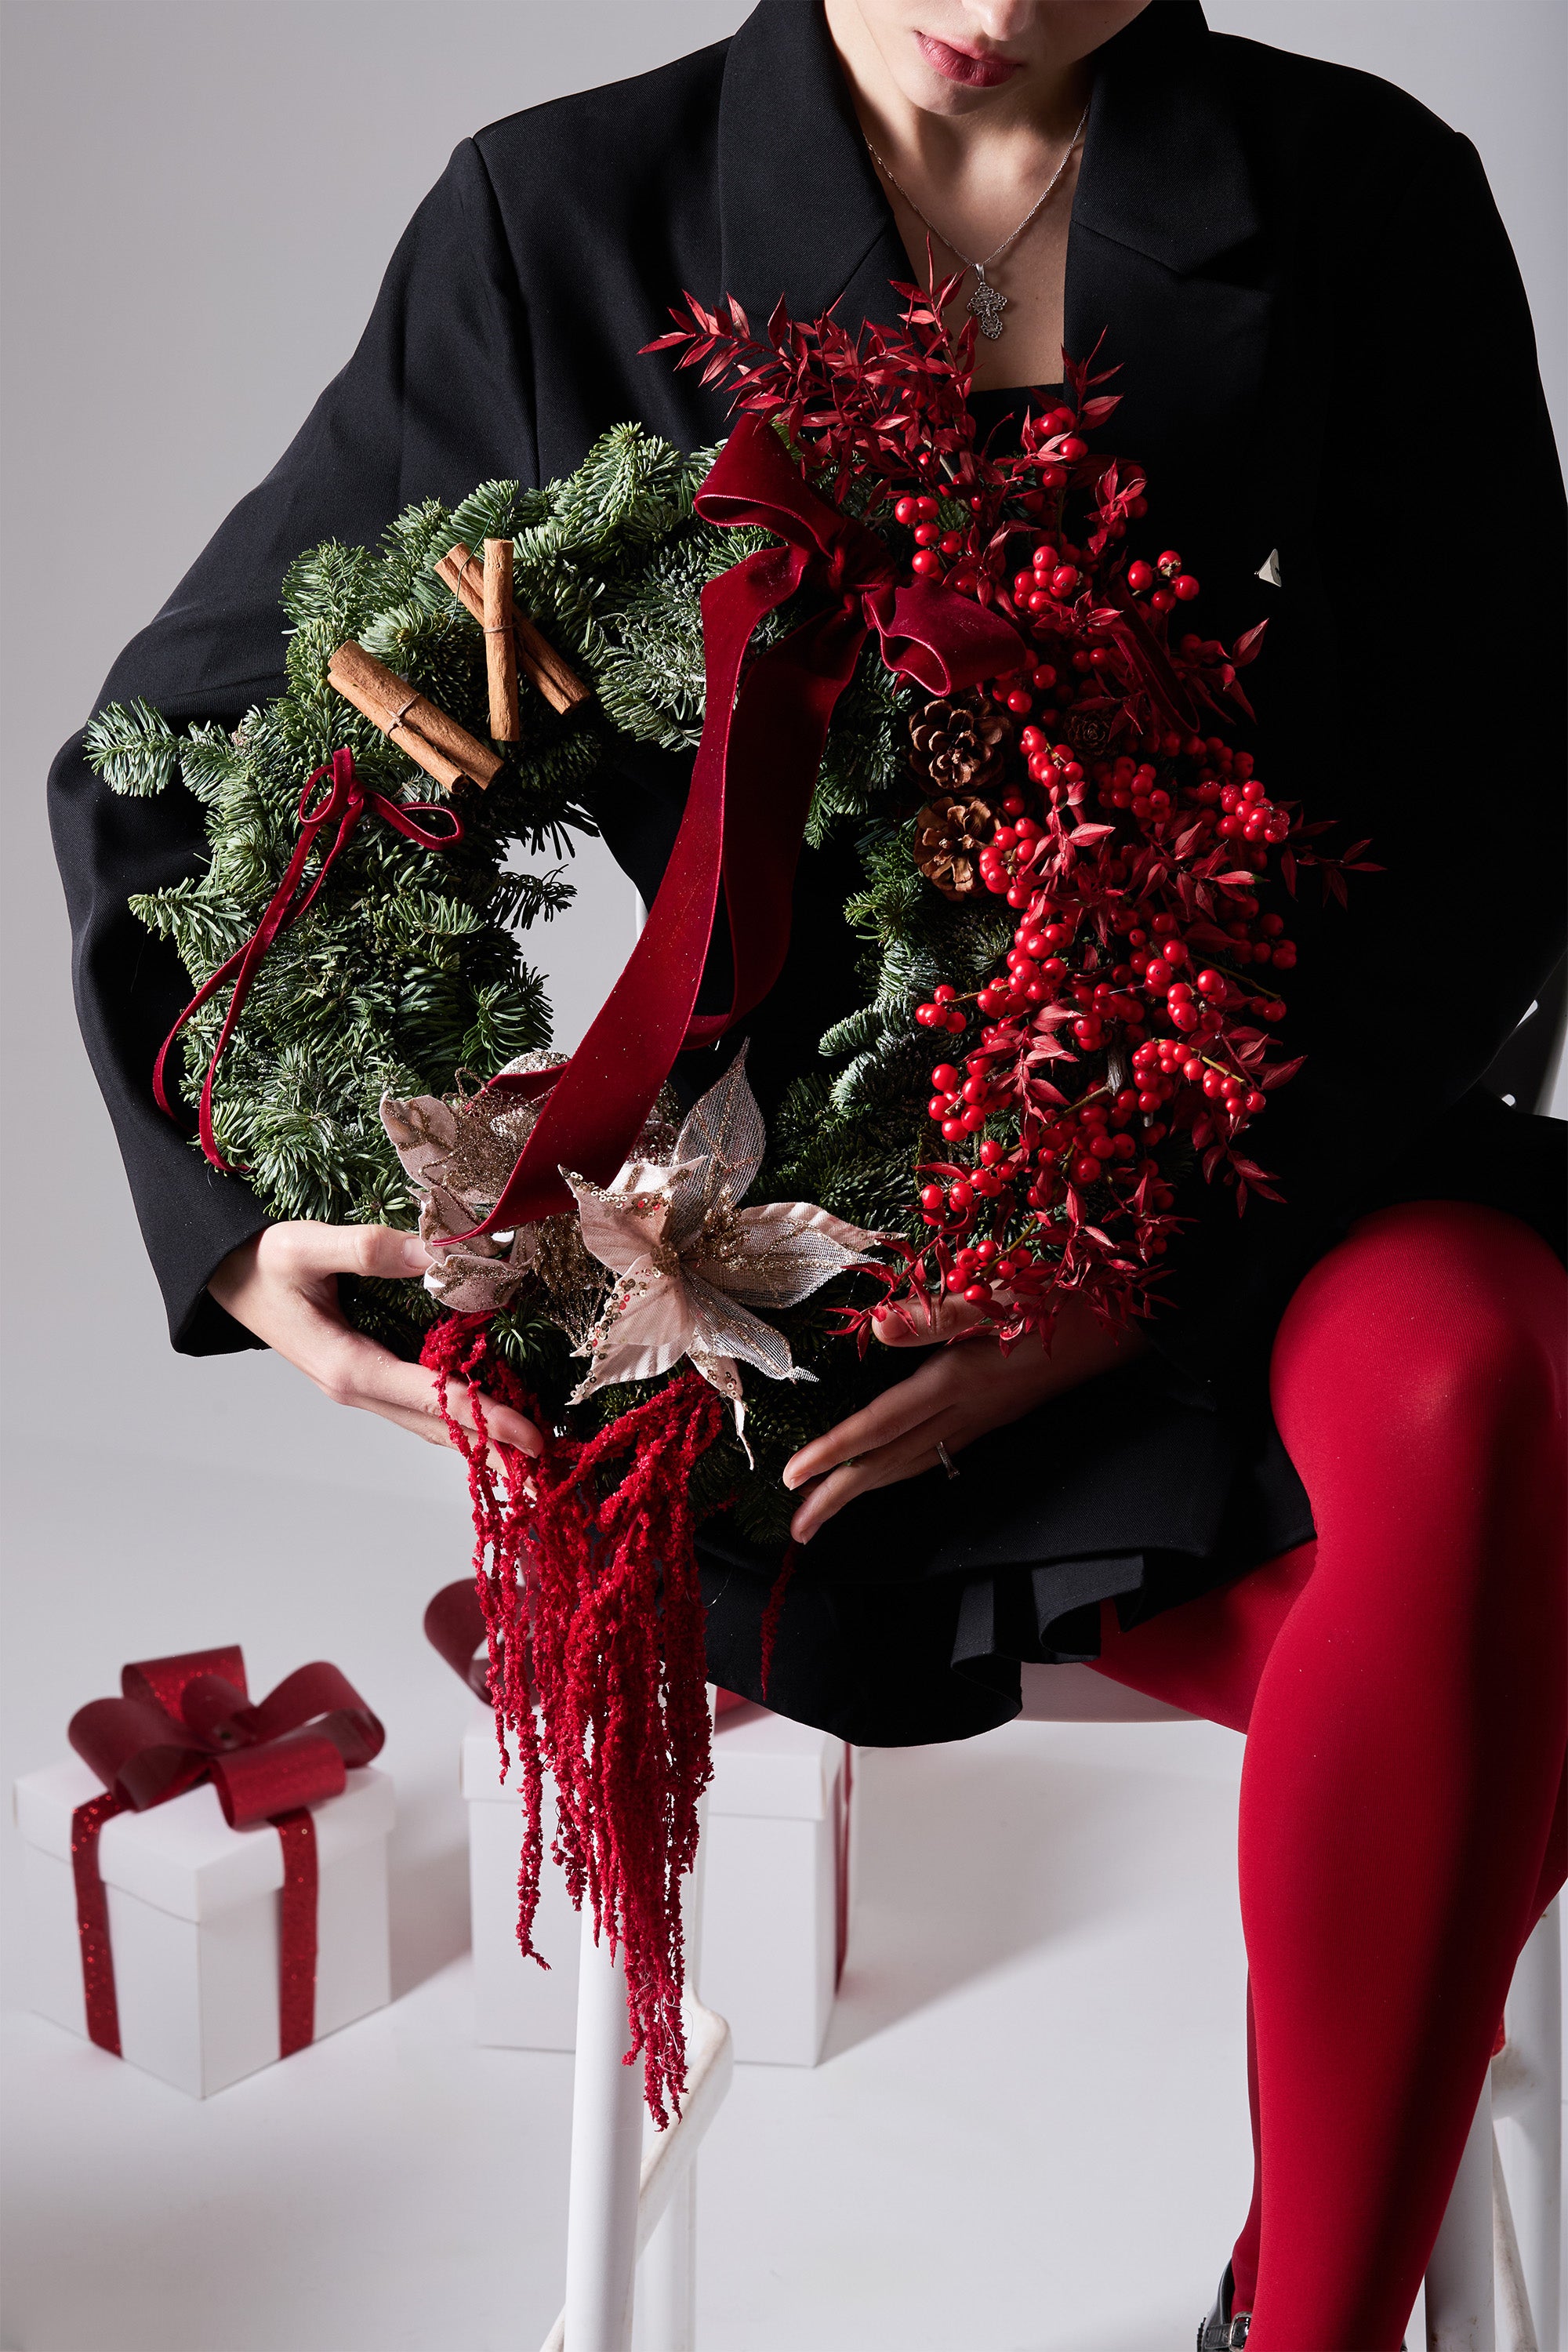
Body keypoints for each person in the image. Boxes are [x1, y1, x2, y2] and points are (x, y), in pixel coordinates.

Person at [48, 3, 1566, 2343]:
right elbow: (192, 755)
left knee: (1486, 1367)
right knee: (1521, 1618)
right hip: (795, 1271)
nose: (994, 3)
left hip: (1272, 1149)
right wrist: (255, 1212)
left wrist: (1129, 1253)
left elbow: (1496, 820)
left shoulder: (1365, 194)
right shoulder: (563, 220)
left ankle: (1308, 2319)